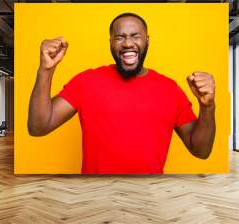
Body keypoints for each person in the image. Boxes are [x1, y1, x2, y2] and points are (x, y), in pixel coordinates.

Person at [28, 13, 216, 174]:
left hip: (149, 199)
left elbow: (201, 150)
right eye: (119, 37)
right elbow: (38, 127)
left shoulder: (170, 89)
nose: (128, 43)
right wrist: (45, 70)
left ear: (147, 40)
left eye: (135, 36)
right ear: (111, 43)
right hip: (95, 199)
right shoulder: (86, 82)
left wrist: (207, 107)